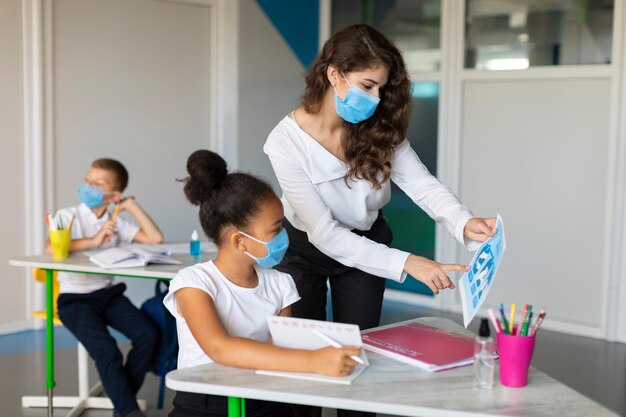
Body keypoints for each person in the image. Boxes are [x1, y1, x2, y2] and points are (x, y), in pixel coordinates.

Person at [264, 24, 497, 417]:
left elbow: (422, 185)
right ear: (333, 73)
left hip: (368, 241)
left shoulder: (380, 128)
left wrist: (462, 221)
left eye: (381, 88)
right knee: (307, 366)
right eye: (367, 85)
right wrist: (408, 262)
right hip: (306, 248)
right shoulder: (285, 143)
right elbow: (324, 232)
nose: (375, 98)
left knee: (359, 359)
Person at [163, 150, 362, 417]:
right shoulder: (193, 282)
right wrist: (314, 361)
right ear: (239, 240)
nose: (283, 235)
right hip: (206, 402)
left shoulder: (281, 283)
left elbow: (277, 349)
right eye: (276, 228)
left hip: (263, 396)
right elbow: (219, 348)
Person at [46, 158, 163, 417]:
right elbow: (50, 249)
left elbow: (155, 238)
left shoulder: (117, 221)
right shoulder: (68, 216)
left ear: (113, 195)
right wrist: (93, 240)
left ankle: (123, 404)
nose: (89, 186)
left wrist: (131, 205)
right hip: (74, 299)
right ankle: (129, 410)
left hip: (108, 296)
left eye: (98, 183)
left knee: (148, 334)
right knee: (107, 351)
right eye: (88, 180)